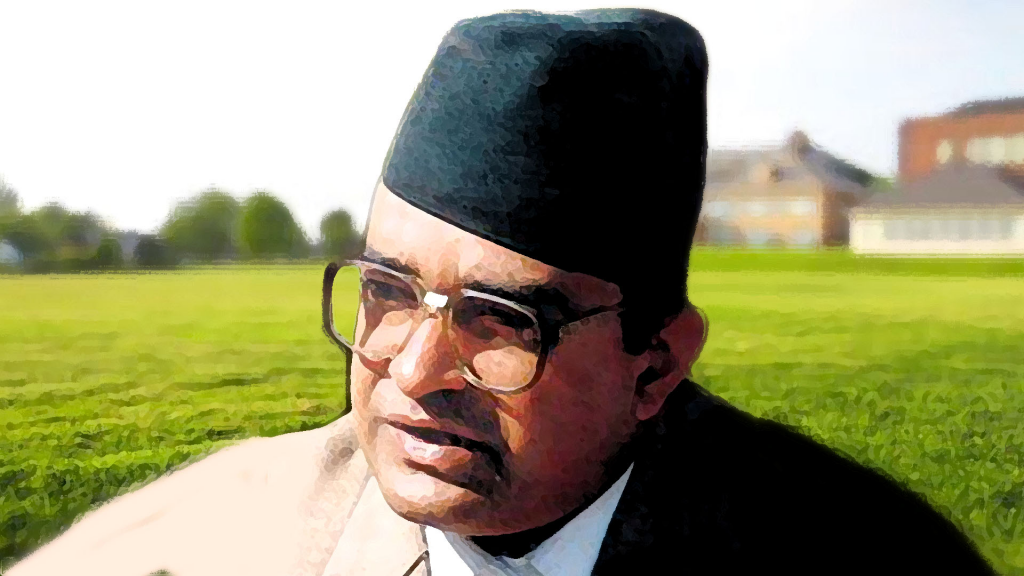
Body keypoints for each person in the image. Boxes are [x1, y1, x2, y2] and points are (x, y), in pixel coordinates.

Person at [10, 9, 993, 576]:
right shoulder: (221, 536)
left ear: (654, 365)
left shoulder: (868, 557)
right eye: (388, 291)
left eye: (502, 319)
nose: (412, 372)